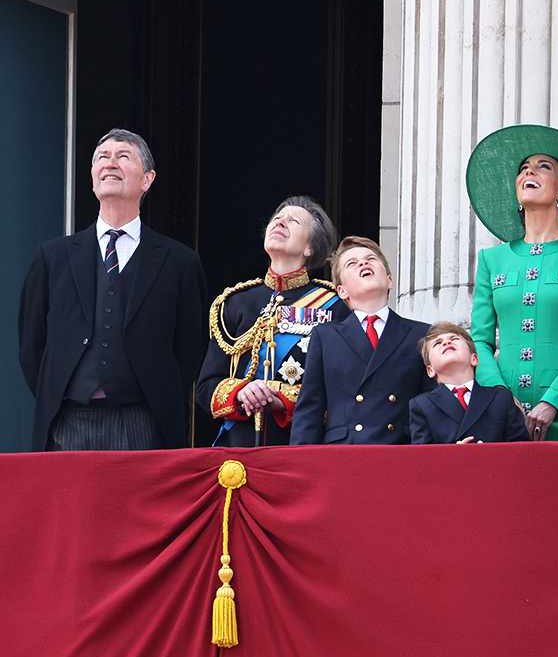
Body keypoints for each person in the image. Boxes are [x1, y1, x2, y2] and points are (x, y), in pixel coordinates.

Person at [18, 129, 208, 451]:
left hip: (145, 424)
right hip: (67, 423)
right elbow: (31, 343)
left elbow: (190, 347)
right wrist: (60, 393)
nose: (110, 164)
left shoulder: (179, 262)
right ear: (92, 178)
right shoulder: (52, 258)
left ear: (147, 179)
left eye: (123, 157)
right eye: (102, 158)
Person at [467, 125, 558, 441]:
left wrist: (555, 401)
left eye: (542, 167)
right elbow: (478, 341)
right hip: (502, 418)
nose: (528, 173)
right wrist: (501, 400)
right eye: (523, 169)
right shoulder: (492, 259)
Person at [196, 197, 347, 446]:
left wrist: (281, 399)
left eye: (293, 221)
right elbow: (206, 388)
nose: (280, 222)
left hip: (301, 445)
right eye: (277, 218)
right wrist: (240, 393)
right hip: (239, 446)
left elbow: (342, 391)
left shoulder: (335, 306)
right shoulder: (235, 302)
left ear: (310, 247)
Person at [290, 237, 431, 444]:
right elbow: (310, 408)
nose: (364, 263)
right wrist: (301, 466)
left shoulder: (421, 334)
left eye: (371, 259)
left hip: (402, 452)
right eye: (352, 263)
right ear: (342, 291)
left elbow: (433, 404)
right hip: (344, 453)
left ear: (390, 279)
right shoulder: (325, 336)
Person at [409, 322, 529, 444]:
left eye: (454, 339)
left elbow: (520, 449)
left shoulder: (501, 398)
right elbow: (423, 457)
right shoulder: (422, 405)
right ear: (430, 370)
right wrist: (454, 454)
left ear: (474, 358)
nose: (446, 342)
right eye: (437, 343)